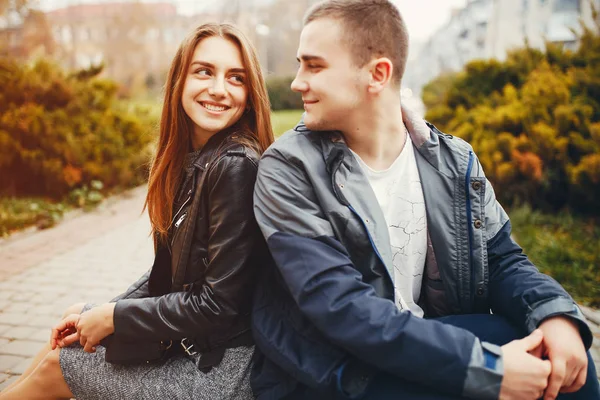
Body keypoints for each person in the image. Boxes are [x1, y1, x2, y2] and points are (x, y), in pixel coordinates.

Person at [250, 1, 600, 399]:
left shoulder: (454, 160)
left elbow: (502, 259)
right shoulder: (288, 169)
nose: (297, 81)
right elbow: (341, 309)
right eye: (300, 65)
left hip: (421, 343)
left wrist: (554, 314)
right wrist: (489, 368)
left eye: (314, 66)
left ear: (377, 74)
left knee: (569, 366)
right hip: (332, 370)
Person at [0, 22, 273, 400]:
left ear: (249, 93)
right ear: (180, 79)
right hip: (193, 344)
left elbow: (219, 305)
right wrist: (102, 313)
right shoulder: (192, 161)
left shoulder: (235, 165)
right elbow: (166, 272)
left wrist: (113, 318)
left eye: (236, 77)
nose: (218, 89)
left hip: (219, 370)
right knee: (71, 327)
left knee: (57, 369)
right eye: (204, 71)